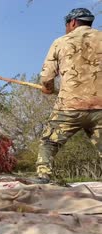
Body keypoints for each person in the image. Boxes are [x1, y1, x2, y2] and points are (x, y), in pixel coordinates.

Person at [36, 8, 101, 183]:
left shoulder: (61, 42)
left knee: (49, 143)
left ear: (72, 23)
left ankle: (43, 179)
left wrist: (47, 88)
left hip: (69, 108)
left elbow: (47, 76)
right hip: (100, 109)